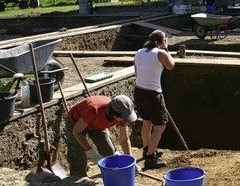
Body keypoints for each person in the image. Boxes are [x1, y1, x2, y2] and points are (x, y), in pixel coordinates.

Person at [133, 29, 176, 169]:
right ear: (160, 42)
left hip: (139, 92)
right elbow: (171, 66)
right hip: (153, 95)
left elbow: (136, 72)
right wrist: (166, 48)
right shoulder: (161, 53)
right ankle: (151, 158)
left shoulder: (139, 52)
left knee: (147, 123)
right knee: (160, 126)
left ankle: (147, 149)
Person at [65, 94, 137, 177]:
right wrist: (89, 150)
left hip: (96, 124)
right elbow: (76, 132)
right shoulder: (93, 110)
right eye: (124, 118)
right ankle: (78, 179)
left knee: (109, 152)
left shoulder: (123, 115)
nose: (126, 121)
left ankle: (111, 177)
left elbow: (125, 140)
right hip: (76, 123)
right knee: (79, 159)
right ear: (114, 115)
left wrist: (131, 162)